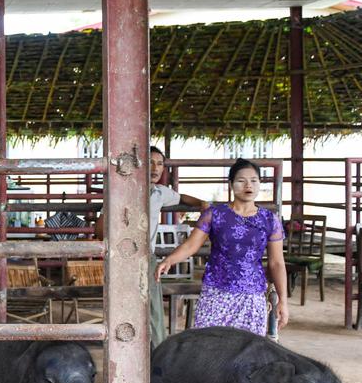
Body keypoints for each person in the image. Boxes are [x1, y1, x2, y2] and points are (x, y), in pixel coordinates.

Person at [157, 158, 288, 335]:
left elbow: (276, 263)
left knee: (246, 353)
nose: (248, 185)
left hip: (251, 296)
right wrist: (169, 260)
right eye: (241, 181)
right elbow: (191, 245)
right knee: (208, 346)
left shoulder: (270, 220)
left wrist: (283, 301)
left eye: (254, 181)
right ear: (231, 184)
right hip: (215, 292)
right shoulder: (214, 215)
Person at [96, 146, 207, 347]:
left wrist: (202, 203)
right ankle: (123, 351)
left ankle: (156, 353)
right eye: (150, 162)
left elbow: (182, 198)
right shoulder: (120, 190)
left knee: (154, 309)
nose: (156, 168)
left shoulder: (159, 192)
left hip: (148, 258)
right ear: (139, 165)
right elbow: (99, 229)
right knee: (123, 307)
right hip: (122, 258)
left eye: (160, 163)